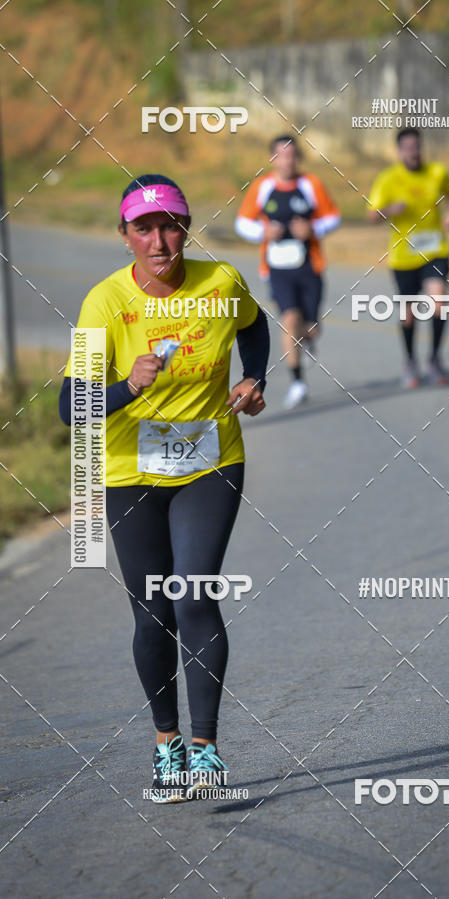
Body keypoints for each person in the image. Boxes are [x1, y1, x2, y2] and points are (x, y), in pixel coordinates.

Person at [59, 174, 269, 802]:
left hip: (209, 464)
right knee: (152, 615)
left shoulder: (220, 282)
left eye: (170, 224)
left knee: (193, 595)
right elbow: (70, 407)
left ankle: (206, 752)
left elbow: (254, 326)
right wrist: (128, 387)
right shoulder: (104, 303)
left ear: (186, 227)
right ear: (125, 235)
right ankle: (167, 746)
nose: (159, 240)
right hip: (130, 474)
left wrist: (253, 378)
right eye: (144, 228)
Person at [235, 135, 341, 409]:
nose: (287, 160)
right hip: (276, 267)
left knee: (311, 329)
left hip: (309, 265)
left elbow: (333, 216)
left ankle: (307, 339)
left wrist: (313, 229)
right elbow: (242, 223)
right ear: (272, 159)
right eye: (281, 155)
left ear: (298, 157)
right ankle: (298, 382)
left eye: (292, 154)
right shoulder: (262, 186)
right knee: (289, 319)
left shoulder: (310, 184)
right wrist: (264, 232)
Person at [367, 128, 449, 388]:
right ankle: (410, 361)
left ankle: (434, 359)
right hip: (403, 256)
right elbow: (372, 215)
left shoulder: (437, 172)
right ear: (399, 151)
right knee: (408, 315)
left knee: (439, 302)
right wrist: (390, 210)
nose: (413, 152)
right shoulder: (388, 179)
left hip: (435, 250)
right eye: (407, 148)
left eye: (416, 147)